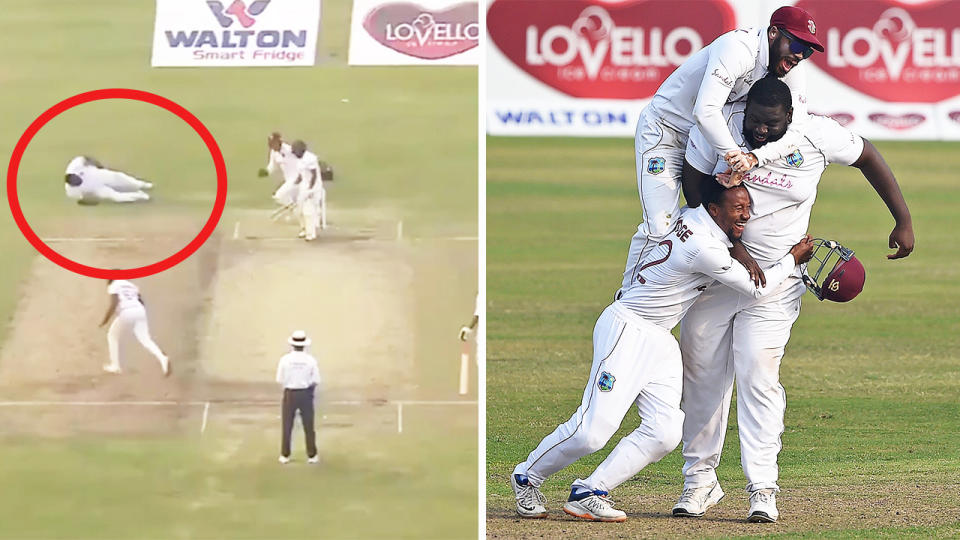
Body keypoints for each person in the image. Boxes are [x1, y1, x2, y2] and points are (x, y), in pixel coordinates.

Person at [673, 76, 914, 523]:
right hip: (716, 278)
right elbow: (694, 188)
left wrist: (902, 219)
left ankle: (763, 488)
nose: (759, 131)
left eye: (770, 124)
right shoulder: (722, 127)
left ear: (790, 116)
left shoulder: (816, 134)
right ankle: (698, 481)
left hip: (778, 285)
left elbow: (869, 157)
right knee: (702, 376)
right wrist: (734, 247)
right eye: (754, 123)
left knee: (757, 376)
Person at [510, 182, 815, 522]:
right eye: (737, 209)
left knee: (665, 431)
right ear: (714, 210)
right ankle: (527, 476)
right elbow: (755, 290)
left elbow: (659, 236)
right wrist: (792, 260)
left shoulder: (688, 218)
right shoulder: (702, 247)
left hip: (660, 338)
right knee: (591, 432)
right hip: (627, 329)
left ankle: (590, 491)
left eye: (748, 206)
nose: (746, 215)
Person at [622, 5, 822, 290]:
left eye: (808, 50)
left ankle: (663, 298)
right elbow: (705, 112)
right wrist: (735, 156)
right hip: (667, 132)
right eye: (797, 44)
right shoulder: (737, 48)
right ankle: (629, 298)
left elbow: (797, 129)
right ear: (774, 32)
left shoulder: (790, 67)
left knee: (705, 223)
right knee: (660, 226)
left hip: (712, 142)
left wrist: (754, 158)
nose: (800, 55)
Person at [98, 279, 170, 376]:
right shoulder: (131, 285)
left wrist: (105, 321)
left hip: (126, 312)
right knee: (145, 339)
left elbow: (114, 303)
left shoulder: (114, 285)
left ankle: (115, 365)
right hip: (140, 310)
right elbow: (140, 300)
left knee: (112, 336)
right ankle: (162, 358)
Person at [276, 330, 321, 464]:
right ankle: (311, 455)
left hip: (290, 393)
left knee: (287, 425)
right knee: (308, 426)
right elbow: (316, 380)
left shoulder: (285, 359)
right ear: (304, 345)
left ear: (292, 344)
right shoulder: (310, 360)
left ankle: (285, 455)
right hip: (305, 394)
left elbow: (280, 379)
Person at [64, 156, 153, 204]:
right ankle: (140, 196)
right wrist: (93, 199)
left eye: (77, 179)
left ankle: (142, 185)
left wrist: (99, 165)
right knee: (117, 197)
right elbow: (82, 201)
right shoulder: (71, 191)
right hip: (97, 189)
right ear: (72, 185)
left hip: (101, 175)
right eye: (76, 182)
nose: (78, 181)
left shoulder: (74, 167)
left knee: (122, 179)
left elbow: (85, 158)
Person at [291, 140, 326, 240]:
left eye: (295, 151)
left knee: (308, 211)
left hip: (314, 187)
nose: (294, 153)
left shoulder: (310, 158)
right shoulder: (299, 159)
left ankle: (311, 234)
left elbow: (314, 175)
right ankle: (304, 229)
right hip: (304, 186)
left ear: (301, 150)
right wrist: (295, 183)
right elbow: (301, 174)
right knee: (299, 211)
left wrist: (310, 190)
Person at [258, 132, 301, 207]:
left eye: (273, 143)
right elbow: (272, 165)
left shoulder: (290, 149)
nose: (271, 146)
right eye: (270, 143)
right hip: (289, 180)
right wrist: (266, 172)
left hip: (297, 179)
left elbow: (301, 160)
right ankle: (296, 209)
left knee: (279, 196)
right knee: (282, 197)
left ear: (279, 142)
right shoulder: (273, 152)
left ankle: (295, 207)